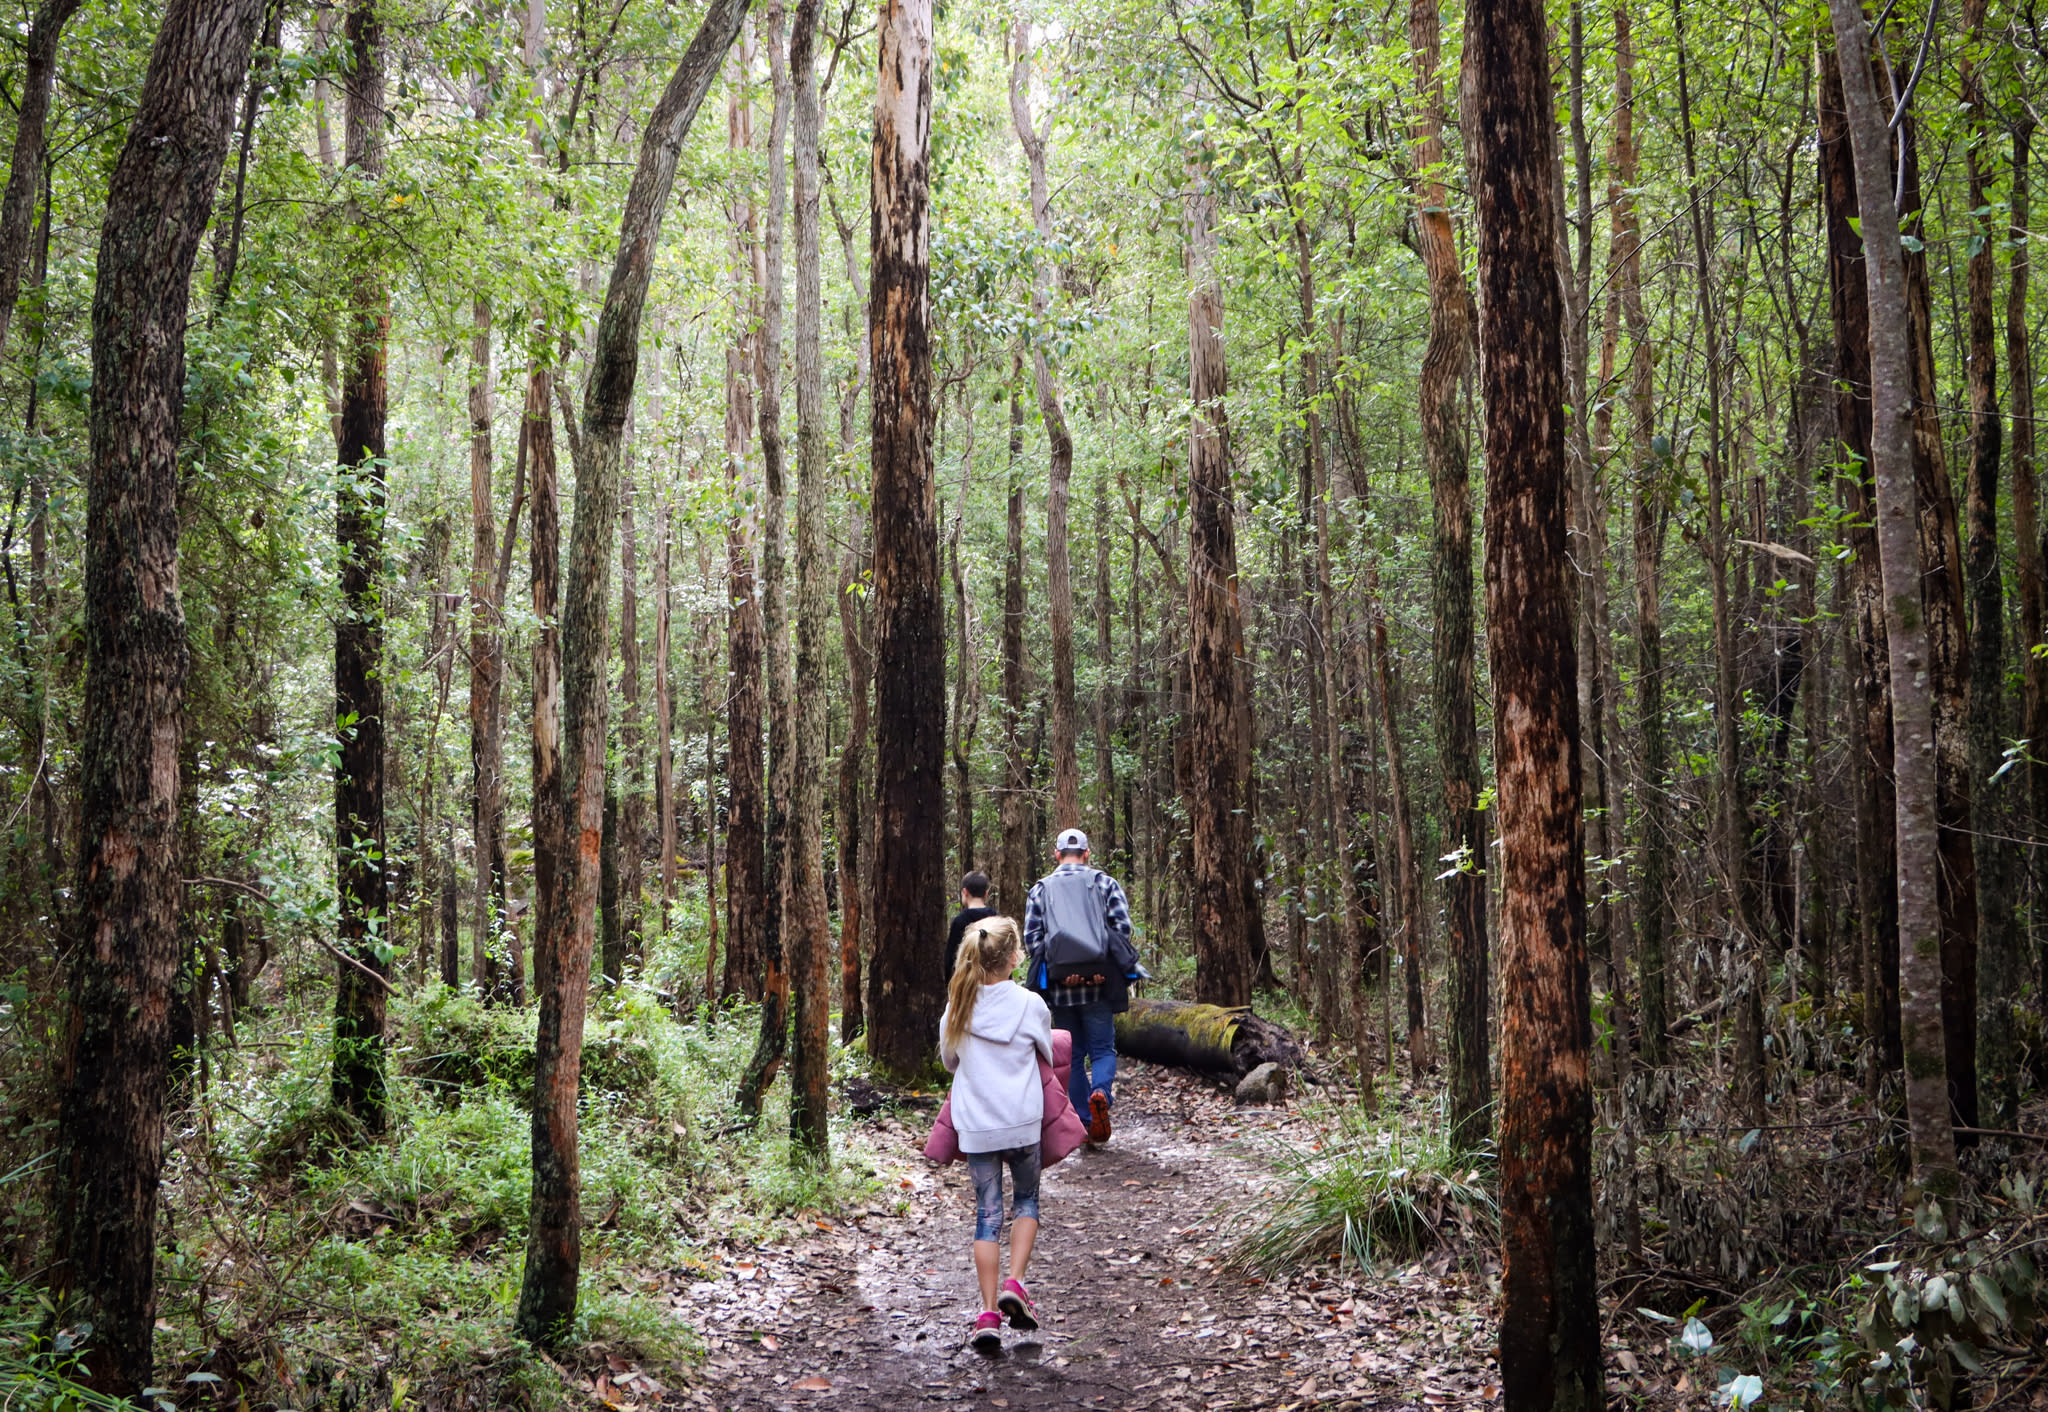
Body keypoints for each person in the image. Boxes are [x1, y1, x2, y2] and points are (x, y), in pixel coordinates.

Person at [940, 916, 1051, 1350]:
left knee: (987, 1215)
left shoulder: (958, 1007)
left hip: (977, 1125)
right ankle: (1015, 1283)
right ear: (1013, 958)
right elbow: (1046, 1051)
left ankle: (987, 1314)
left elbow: (950, 1062)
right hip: (1022, 1121)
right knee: (1026, 1200)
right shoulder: (1030, 1004)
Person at [1023, 828, 1139, 1146]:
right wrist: (1100, 969)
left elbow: (1032, 940)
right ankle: (1100, 1092)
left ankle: (1087, 1124)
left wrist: (1061, 971)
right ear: (1087, 854)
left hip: (1061, 987)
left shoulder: (1040, 889)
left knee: (1072, 1057)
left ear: (1056, 854)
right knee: (1102, 1049)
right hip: (1101, 985)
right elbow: (1122, 930)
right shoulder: (1105, 883)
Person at [945, 871, 998, 981]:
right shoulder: (997, 919)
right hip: (994, 979)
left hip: (967, 981)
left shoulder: (959, 922)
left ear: (965, 892)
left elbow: (951, 958)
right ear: (986, 894)